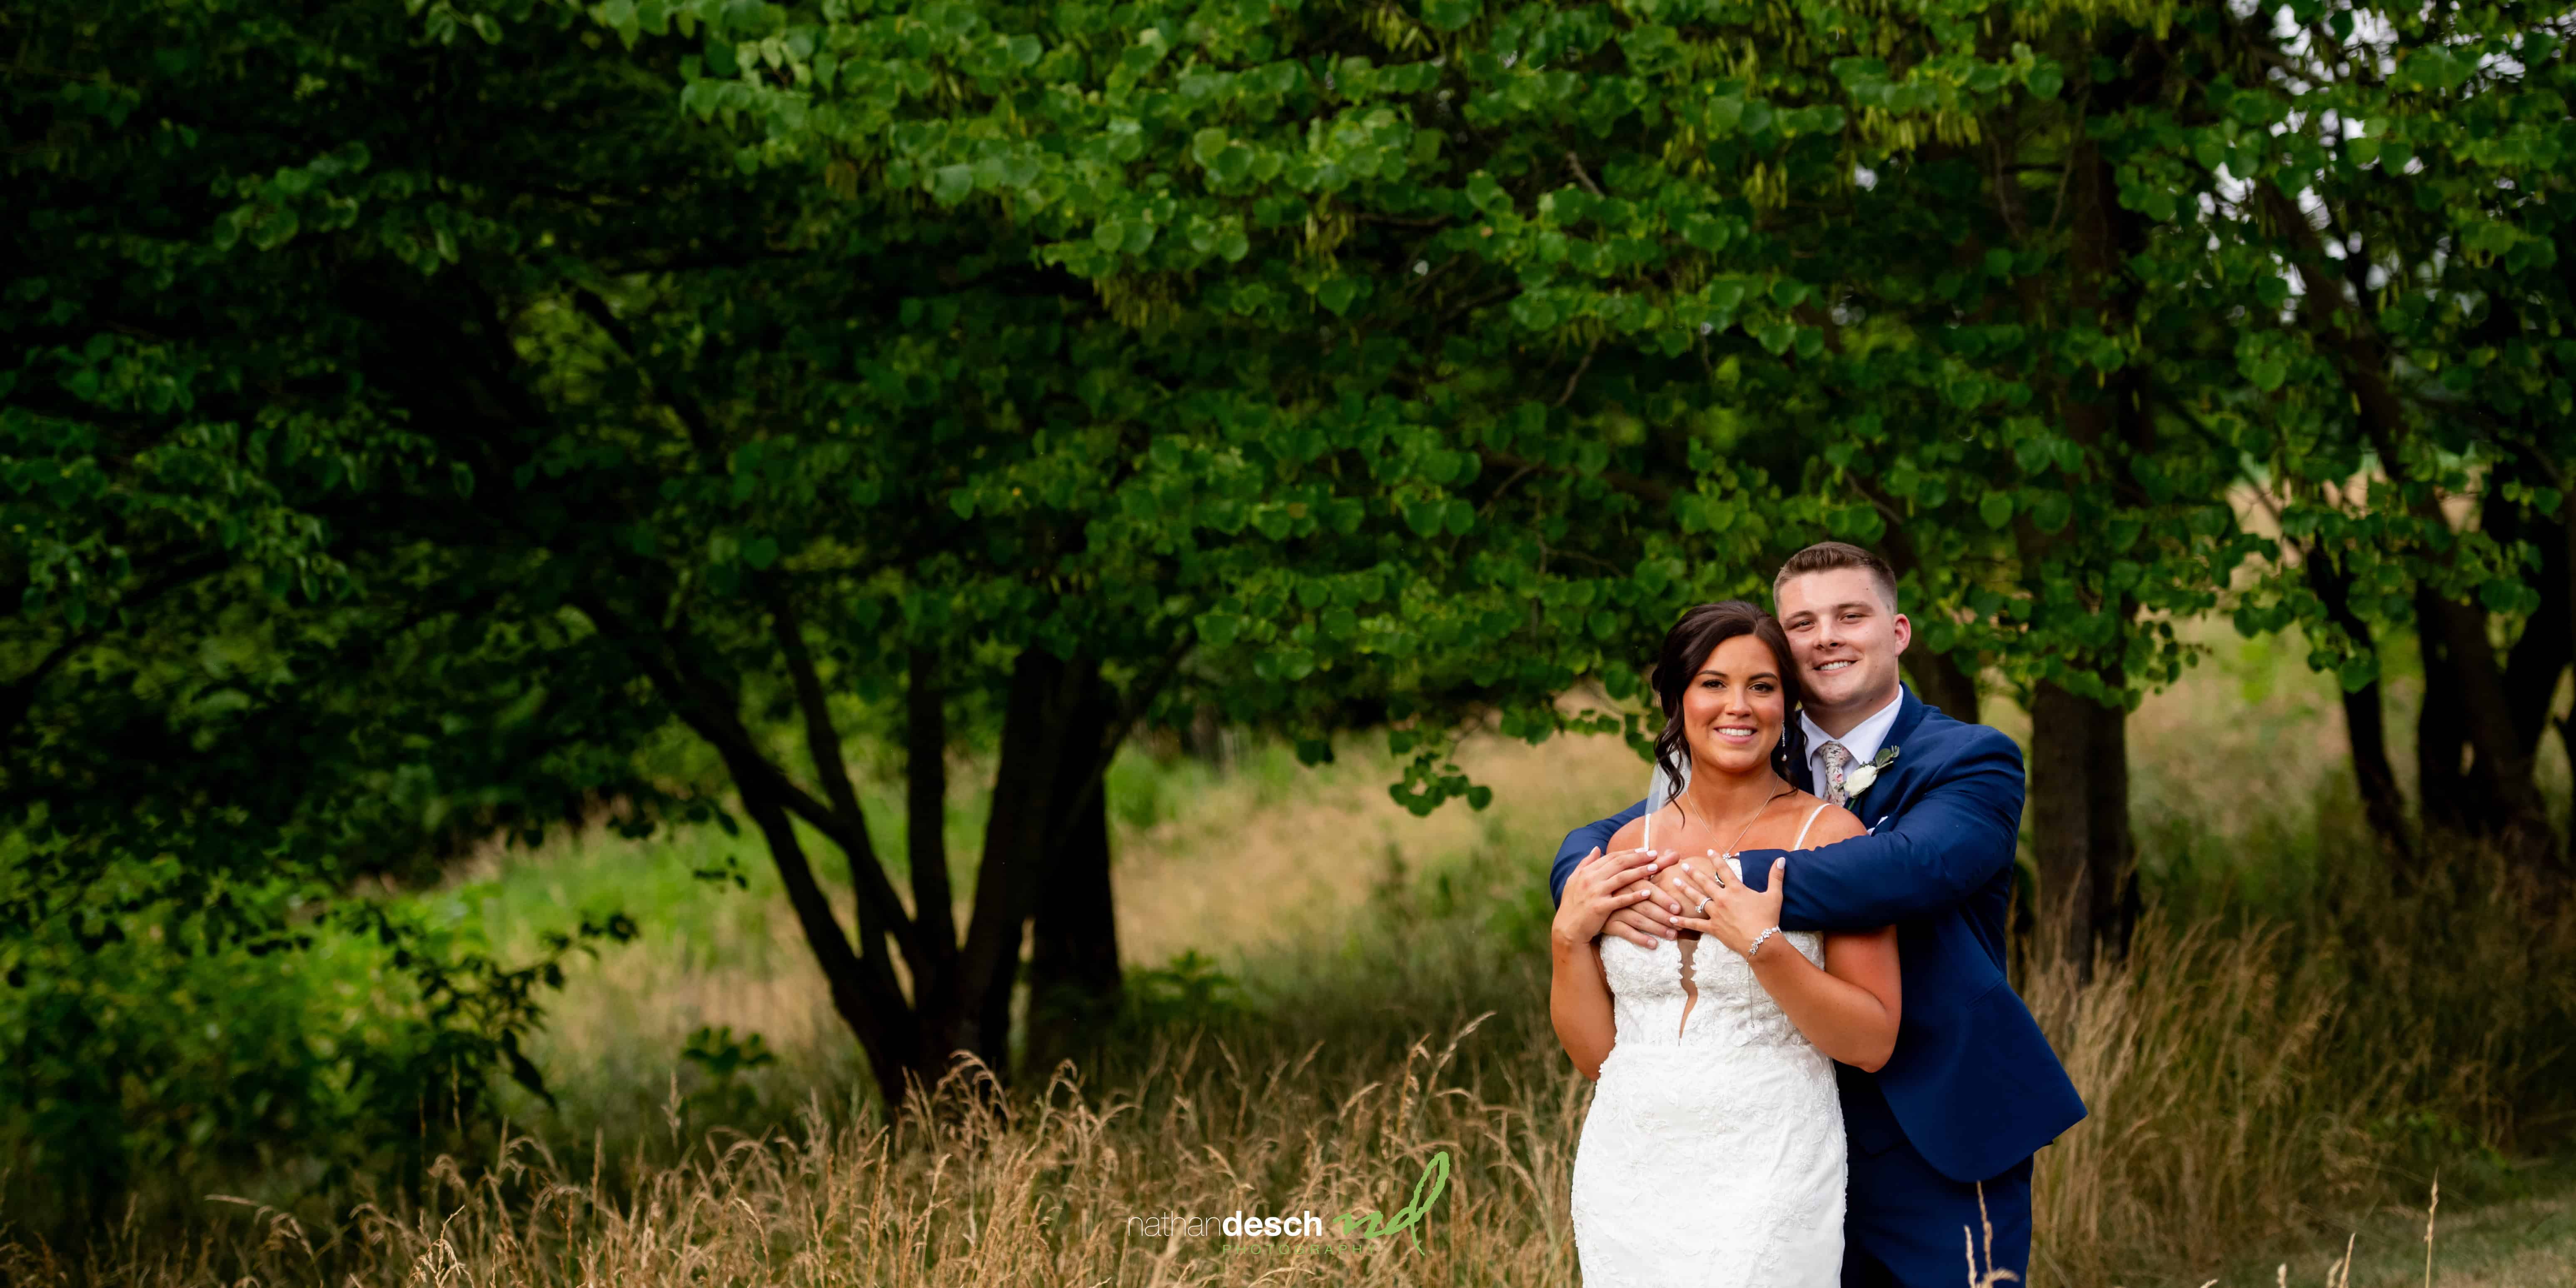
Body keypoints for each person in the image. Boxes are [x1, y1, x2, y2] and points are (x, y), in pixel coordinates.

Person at [1550, 542, 2086, 1288]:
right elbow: (1613, 835)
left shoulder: (1969, 759)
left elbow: (1910, 867)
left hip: (1926, 1119)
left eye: (1850, 615)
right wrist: (1586, 887)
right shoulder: (1754, 743)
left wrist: (1706, 883)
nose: (1826, 636)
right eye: (1802, 622)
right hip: (1770, 1129)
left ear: (1896, 632)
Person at [1554, 599, 1895, 1286]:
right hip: (1630, 1166)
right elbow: (1599, 1059)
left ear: (1787, 706)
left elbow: (1871, 1040)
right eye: (1712, 683)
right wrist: (1568, 938)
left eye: (1761, 686)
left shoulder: (1831, 839)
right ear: (1675, 700)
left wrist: (1764, 945)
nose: (1737, 706)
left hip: (1771, 1161)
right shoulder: (1628, 848)